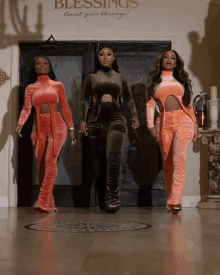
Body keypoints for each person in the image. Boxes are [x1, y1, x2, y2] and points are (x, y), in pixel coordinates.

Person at [80, 45, 139, 213]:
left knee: (114, 159)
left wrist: (134, 115)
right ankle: (102, 200)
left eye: (109, 54)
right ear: (98, 58)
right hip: (95, 120)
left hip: (117, 118)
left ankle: (113, 200)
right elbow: (84, 100)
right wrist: (82, 120)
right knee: (98, 163)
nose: (105, 57)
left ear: (114, 57)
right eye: (101, 54)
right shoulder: (91, 77)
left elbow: (128, 98)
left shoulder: (121, 77)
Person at [16, 56, 76, 213]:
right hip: (39, 128)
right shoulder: (30, 88)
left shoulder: (57, 85)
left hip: (58, 126)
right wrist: (20, 123)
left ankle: (42, 199)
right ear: (34, 68)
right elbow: (27, 109)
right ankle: (49, 203)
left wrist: (71, 128)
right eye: (38, 63)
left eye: (45, 63)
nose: (42, 66)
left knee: (50, 161)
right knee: (40, 165)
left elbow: (64, 107)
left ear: (49, 68)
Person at [146, 50, 198, 214]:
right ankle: (171, 201)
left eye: (173, 58)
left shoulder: (180, 80)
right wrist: (150, 126)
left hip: (184, 121)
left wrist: (195, 124)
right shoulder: (154, 81)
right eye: (166, 57)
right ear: (161, 61)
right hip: (163, 122)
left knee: (179, 160)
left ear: (176, 63)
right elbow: (149, 105)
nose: (169, 60)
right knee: (168, 163)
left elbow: (188, 105)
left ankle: (175, 201)